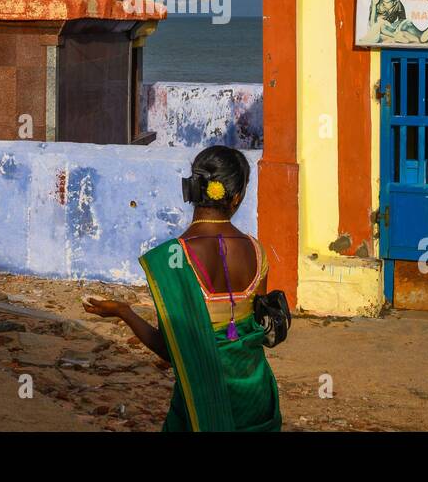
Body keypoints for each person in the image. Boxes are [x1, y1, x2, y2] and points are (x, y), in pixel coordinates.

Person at [84, 146, 282, 432]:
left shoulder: (171, 259)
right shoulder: (257, 251)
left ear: (192, 190)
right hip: (256, 397)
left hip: (202, 401)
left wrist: (124, 312)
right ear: (236, 197)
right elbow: (260, 328)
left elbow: (171, 350)